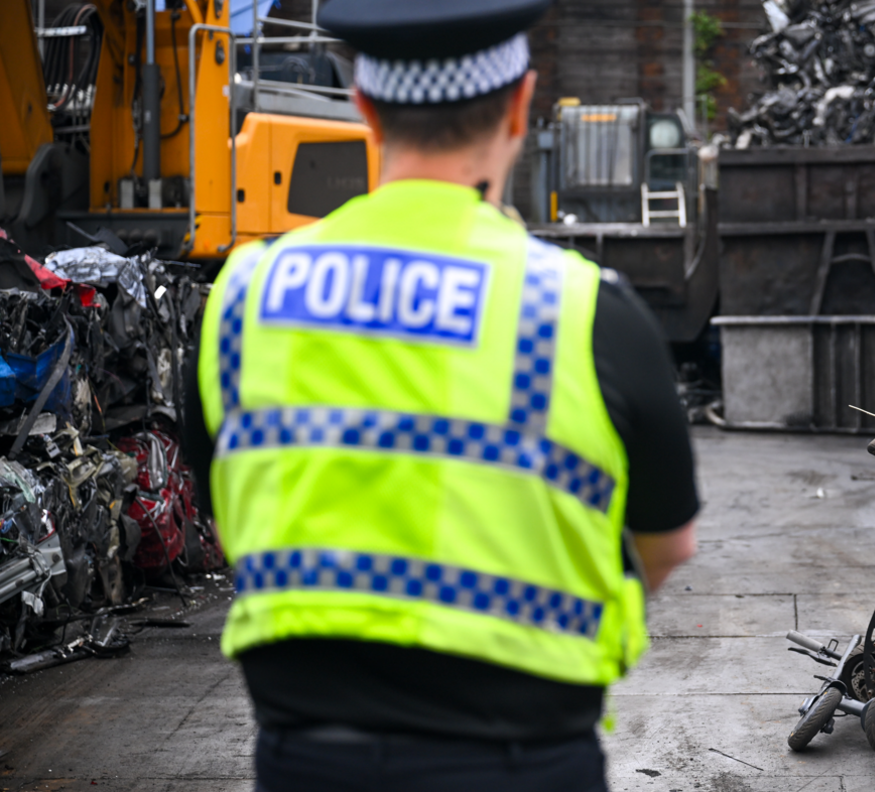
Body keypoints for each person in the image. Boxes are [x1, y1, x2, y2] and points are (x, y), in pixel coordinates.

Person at [180, 1, 699, 789]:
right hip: (528, 763)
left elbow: (229, 514)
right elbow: (666, 546)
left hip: (304, 761)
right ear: (521, 103)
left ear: (363, 106)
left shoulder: (245, 296)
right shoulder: (589, 312)